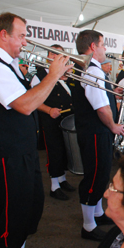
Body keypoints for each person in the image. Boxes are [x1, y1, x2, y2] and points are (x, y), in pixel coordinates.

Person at [0, 12, 73, 248]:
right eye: (22, 36)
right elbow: (26, 105)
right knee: (13, 210)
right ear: (3, 35)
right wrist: (53, 75)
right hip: (4, 152)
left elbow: (31, 96)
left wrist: (56, 77)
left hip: (19, 148)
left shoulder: (8, 62)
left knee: (30, 205)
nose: (25, 42)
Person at [71, 30, 124, 241]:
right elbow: (101, 108)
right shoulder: (91, 71)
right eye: (102, 44)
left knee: (101, 173)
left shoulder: (91, 69)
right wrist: (113, 126)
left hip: (94, 131)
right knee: (95, 176)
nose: (105, 49)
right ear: (93, 47)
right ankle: (88, 226)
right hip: (95, 131)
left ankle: (97, 214)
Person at [30, 44, 75, 201]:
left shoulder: (67, 74)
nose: (57, 57)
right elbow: (32, 99)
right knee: (54, 151)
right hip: (50, 120)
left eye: (60, 55)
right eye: (54, 54)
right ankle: (54, 186)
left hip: (66, 120)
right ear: (48, 56)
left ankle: (62, 180)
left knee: (65, 150)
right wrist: (49, 110)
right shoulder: (40, 76)